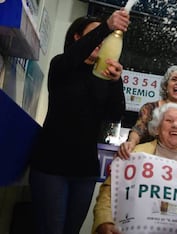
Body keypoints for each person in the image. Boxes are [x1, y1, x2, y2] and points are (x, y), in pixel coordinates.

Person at [29, 9, 130, 234]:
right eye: (95, 34)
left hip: (84, 170)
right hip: (51, 166)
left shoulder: (102, 77)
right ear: (77, 37)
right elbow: (72, 57)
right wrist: (107, 26)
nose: (100, 40)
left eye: (103, 37)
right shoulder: (62, 66)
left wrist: (115, 81)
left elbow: (114, 116)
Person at [92, 103, 177, 234]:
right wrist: (104, 222)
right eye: (169, 121)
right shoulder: (135, 155)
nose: (176, 125)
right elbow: (108, 193)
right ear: (157, 128)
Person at [117, 65, 177, 165]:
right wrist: (131, 143)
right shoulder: (150, 108)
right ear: (166, 85)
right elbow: (138, 130)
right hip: (147, 163)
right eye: (174, 79)